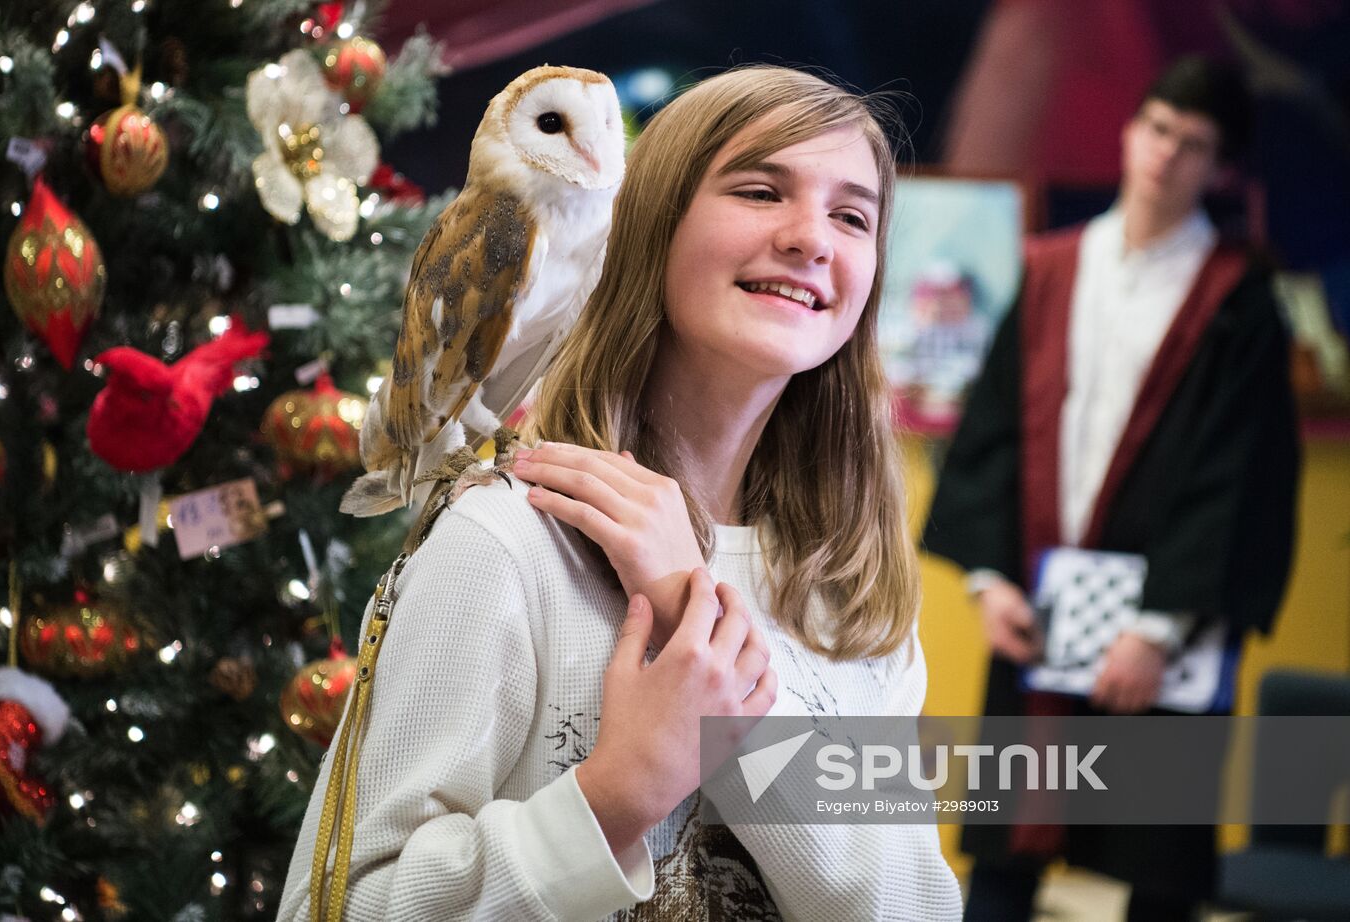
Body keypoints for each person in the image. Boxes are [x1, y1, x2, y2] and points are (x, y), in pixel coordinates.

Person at [278, 65, 963, 921]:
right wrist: (613, 798)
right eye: (759, 191)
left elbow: (910, 908)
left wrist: (693, 613)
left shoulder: (850, 596)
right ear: (648, 224)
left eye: (851, 215)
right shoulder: (509, 543)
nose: (810, 238)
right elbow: (336, 906)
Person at [923, 56, 1300, 921]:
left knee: (1156, 871)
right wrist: (990, 583)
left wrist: (1159, 630)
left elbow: (1235, 476)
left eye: (1193, 143)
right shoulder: (1055, 266)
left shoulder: (1238, 298)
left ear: (1222, 168)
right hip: (1040, 607)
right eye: (1158, 129)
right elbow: (995, 428)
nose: (1166, 155)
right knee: (1004, 860)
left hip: (1160, 634)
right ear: (1131, 133)